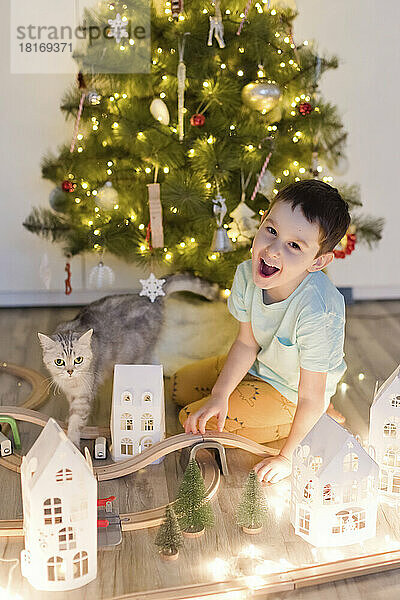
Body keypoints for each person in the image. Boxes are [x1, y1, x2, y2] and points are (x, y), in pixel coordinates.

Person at [171, 179, 350, 485]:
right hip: (259, 368)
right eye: (271, 230)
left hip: (295, 393)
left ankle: (320, 419)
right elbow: (245, 343)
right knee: (178, 386)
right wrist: (220, 394)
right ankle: (298, 412)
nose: (272, 250)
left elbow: (309, 394)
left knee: (191, 420)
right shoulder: (246, 274)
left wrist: (287, 457)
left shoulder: (318, 312)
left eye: (294, 246)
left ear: (318, 261)